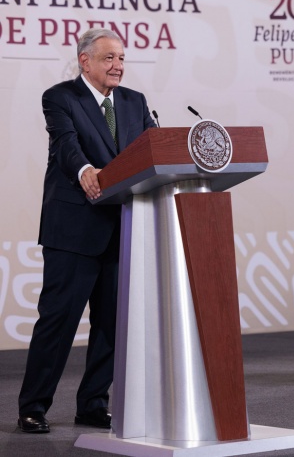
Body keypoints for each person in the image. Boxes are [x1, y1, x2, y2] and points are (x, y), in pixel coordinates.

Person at [17, 28, 156, 433]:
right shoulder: (60, 97)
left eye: (122, 58)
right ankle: (33, 406)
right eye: (110, 58)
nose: (118, 66)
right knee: (58, 322)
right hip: (74, 230)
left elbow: (152, 148)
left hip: (122, 228)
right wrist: (85, 171)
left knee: (112, 325)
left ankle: (93, 403)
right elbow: (65, 145)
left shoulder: (134, 102)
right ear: (85, 61)